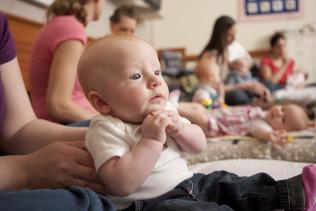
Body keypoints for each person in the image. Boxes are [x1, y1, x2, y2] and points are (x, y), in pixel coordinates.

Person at [78, 35, 316, 211]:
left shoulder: (166, 109)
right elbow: (122, 183)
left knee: (230, 184)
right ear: (101, 102)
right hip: (152, 204)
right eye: (136, 76)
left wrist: (181, 129)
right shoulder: (105, 128)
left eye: (158, 72)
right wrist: (150, 140)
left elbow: (198, 145)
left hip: (191, 183)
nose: (154, 81)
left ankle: (297, 191)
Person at [0, 13, 115, 211]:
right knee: (85, 202)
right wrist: (25, 170)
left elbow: (18, 130)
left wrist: (112, 133)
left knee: (103, 129)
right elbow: (58, 104)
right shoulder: (72, 30)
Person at [29, 0, 103, 124]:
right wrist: (107, 121)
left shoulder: (61, 23)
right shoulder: (71, 29)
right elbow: (58, 105)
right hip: (59, 124)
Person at [196, 15, 271, 106]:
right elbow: (214, 88)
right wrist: (245, 86)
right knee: (238, 96)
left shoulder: (225, 51)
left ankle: (258, 98)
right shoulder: (209, 57)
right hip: (220, 91)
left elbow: (227, 72)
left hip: (229, 85)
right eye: (229, 35)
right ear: (220, 35)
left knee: (264, 85)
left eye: (234, 34)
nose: (234, 39)